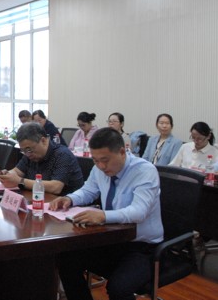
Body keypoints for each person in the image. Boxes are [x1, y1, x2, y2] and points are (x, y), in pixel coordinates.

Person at [51, 127, 163, 300]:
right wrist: (69, 199)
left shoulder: (144, 171)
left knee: (119, 288)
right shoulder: (99, 169)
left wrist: (103, 216)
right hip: (111, 239)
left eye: (105, 160)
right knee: (66, 260)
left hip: (141, 247)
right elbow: (88, 191)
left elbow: (139, 212)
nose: (101, 166)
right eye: (95, 161)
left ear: (122, 152)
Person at [0, 122, 83, 195]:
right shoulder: (29, 153)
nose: (27, 154)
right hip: (39, 199)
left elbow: (56, 187)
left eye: (29, 149)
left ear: (43, 141)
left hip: (64, 204)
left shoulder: (62, 154)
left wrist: (20, 181)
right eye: (23, 151)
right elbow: (17, 171)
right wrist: (7, 175)